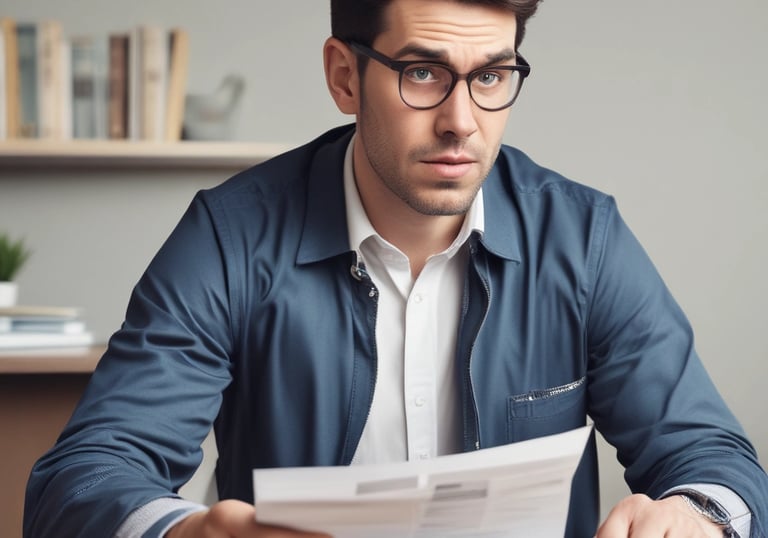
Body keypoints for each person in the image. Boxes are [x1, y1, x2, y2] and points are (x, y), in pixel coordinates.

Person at [23, 0, 768, 537]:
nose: (462, 120)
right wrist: (185, 533)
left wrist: (697, 517)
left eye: (492, 75)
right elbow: (83, 476)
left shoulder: (584, 239)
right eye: (422, 73)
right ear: (345, 77)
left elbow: (716, 462)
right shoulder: (231, 236)